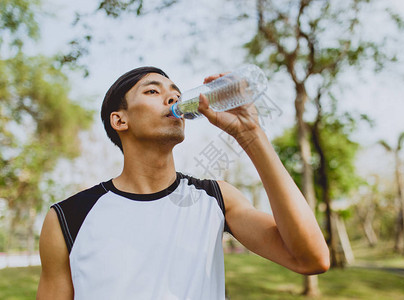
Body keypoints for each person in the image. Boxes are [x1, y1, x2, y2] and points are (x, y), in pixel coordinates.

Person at [36, 66, 330, 300]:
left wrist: (250, 134)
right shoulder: (68, 217)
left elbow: (311, 259)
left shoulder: (217, 199)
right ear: (119, 120)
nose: (173, 98)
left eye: (176, 93)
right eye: (153, 91)